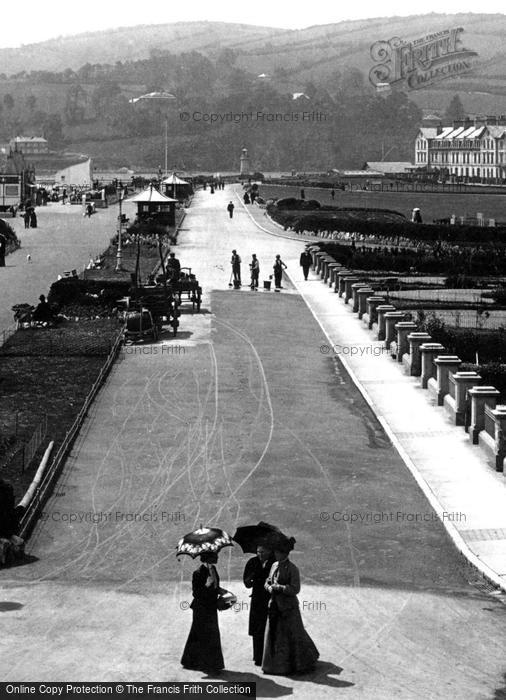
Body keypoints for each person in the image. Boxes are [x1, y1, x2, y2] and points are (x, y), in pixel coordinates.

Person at [262, 536, 319, 676]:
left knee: (293, 635)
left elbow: (295, 589)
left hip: (288, 608)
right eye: (276, 552)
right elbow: (267, 581)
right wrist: (269, 588)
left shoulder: (293, 569)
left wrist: (280, 588)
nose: (275, 554)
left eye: (278, 552)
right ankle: (274, 665)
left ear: (285, 554)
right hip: (274, 605)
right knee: (274, 635)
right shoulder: (274, 565)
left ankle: (299, 665)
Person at [181, 551, 225, 673]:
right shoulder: (198, 573)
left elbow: (215, 586)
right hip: (201, 608)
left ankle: (193, 661)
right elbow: (196, 593)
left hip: (211, 606)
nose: (217, 557)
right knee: (204, 634)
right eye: (215, 556)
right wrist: (207, 584)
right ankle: (207, 665)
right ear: (208, 558)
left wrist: (219, 590)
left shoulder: (213, 569)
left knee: (206, 633)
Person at [243, 543, 275, 665]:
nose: (260, 555)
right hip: (257, 600)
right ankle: (258, 657)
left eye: (263, 552)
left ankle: (269, 657)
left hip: (270, 599)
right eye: (258, 552)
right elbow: (246, 583)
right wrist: (251, 577)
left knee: (270, 627)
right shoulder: (252, 562)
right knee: (257, 628)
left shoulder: (274, 563)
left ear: (269, 551)